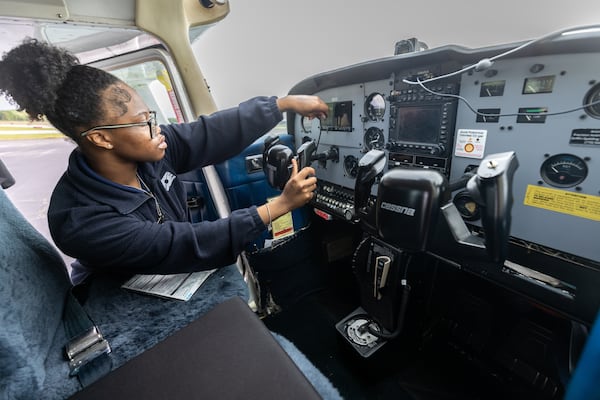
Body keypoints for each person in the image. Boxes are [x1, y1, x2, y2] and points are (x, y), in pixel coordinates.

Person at [0, 39, 329, 284]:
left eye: (151, 116)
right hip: (117, 292)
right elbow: (180, 244)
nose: (157, 129)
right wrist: (281, 204)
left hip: (165, 275)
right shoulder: (79, 221)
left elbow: (208, 132)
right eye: (142, 121)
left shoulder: (149, 151)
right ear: (101, 137)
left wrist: (283, 104)